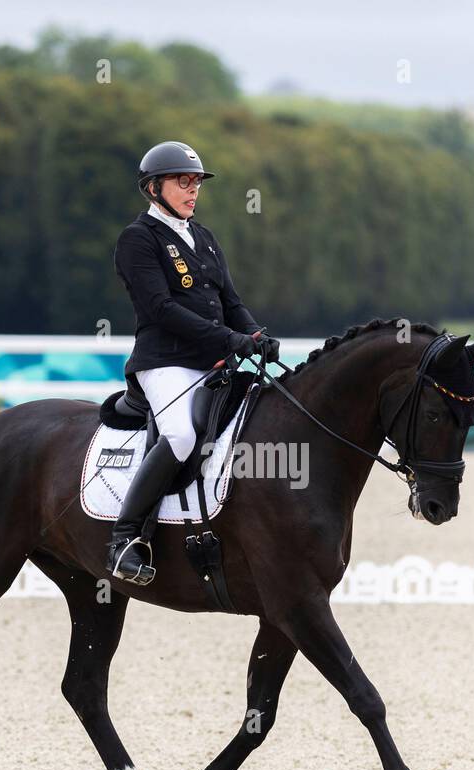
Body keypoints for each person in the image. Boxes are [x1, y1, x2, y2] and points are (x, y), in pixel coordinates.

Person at [107, 141, 274, 585]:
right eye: (182, 181)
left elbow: (230, 301)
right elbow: (161, 309)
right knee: (181, 434)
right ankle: (125, 538)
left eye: (196, 181)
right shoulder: (138, 239)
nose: (192, 189)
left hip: (214, 360)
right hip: (166, 361)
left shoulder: (203, 236)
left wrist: (255, 335)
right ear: (153, 187)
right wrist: (230, 339)